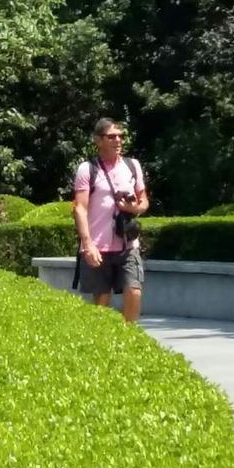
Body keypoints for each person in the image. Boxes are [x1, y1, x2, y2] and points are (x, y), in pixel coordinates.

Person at [72, 118, 149, 322]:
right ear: (98, 140)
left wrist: (133, 208)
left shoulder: (132, 166)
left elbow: (144, 202)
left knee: (134, 291)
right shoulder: (87, 169)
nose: (118, 140)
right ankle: (104, 344)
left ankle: (128, 337)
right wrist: (87, 245)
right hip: (98, 246)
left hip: (128, 244)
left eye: (120, 136)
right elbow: (80, 208)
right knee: (102, 302)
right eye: (111, 136)